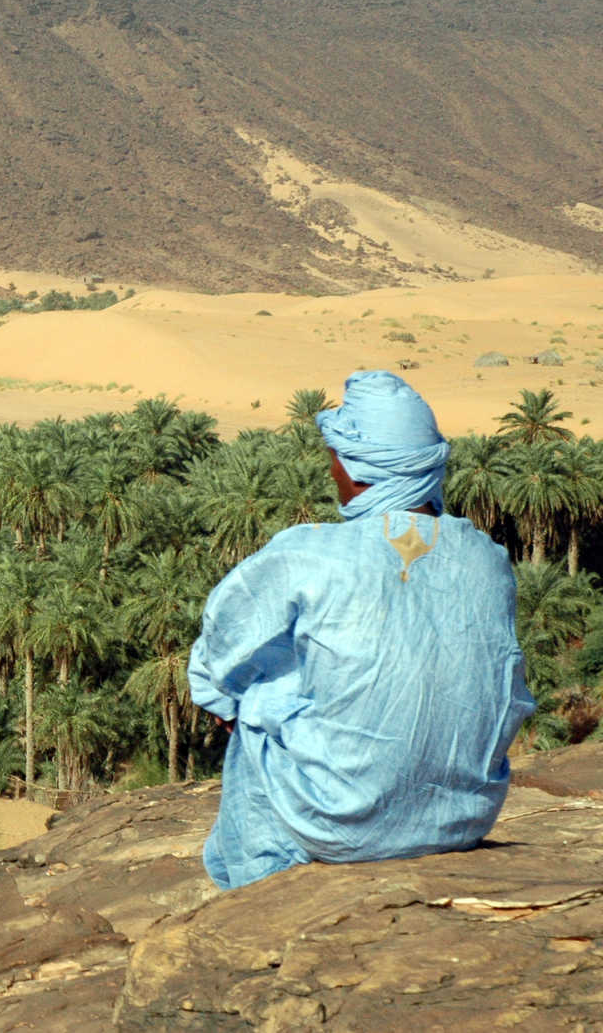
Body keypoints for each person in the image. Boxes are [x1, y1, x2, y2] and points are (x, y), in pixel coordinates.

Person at [188, 370, 535, 889]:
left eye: (333, 456)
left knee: (256, 700)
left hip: (338, 823)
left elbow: (220, 650)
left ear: (354, 471)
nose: (330, 470)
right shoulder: (487, 558)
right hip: (464, 817)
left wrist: (231, 704)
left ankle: (256, 881)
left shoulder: (308, 551)